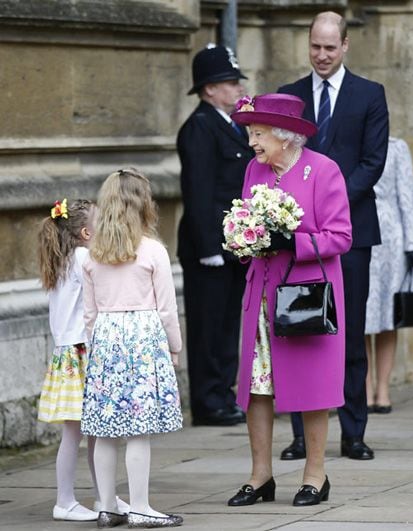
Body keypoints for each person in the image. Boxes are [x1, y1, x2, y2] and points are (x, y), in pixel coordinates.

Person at [226, 93, 351, 507]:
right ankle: (260, 476)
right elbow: (247, 217)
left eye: (258, 134)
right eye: (250, 133)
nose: (252, 143)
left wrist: (290, 240)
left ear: (286, 135)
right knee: (257, 388)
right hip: (260, 292)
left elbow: (341, 236)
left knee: (312, 387)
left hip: (304, 297)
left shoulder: (323, 171)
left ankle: (315, 475)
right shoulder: (254, 171)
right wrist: (244, 237)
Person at [277, 10, 389, 461]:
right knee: (298, 331)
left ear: (345, 46)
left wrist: (330, 203)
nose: (322, 56)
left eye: (330, 47)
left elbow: (372, 162)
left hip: (351, 235)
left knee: (348, 333)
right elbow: (278, 160)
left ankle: (353, 432)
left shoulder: (369, 95)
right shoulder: (289, 96)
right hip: (296, 237)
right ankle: (301, 435)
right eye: (315, 47)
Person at [81, 168, 184, 528]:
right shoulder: (152, 249)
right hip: (143, 339)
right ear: (144, 205)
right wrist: (175, 346)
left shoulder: (93, 253)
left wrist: (97, 349)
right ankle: (139, 506)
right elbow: (167, 308)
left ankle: (108, 506)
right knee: (139, 430)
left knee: (107, 430)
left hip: (107, 339)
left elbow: (90, 313)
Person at [176, 43, 254, 426]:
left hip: (232, 245)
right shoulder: (199, 128)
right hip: (209, 248)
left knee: (227, 325)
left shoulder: (230, 126)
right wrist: (208, 245)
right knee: (208, 327)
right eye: (229, 82)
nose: (238, 88)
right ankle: (208, 402)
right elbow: (199, 191)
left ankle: (223, 394)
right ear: (209, 89)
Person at [36, 198, 102, 522]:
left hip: (69, 353)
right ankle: (64, 500)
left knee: (87, 433)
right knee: (79, 434)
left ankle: (101, 495)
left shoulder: (63, 259)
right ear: (87, 232)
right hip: (80, 353)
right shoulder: (82, 257)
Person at [364, 137, 413, 414]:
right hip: (356, 233)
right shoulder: (348, 141)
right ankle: (363, 389)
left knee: (388, 316)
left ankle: (383, 389)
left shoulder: (397, 147)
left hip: (390, 238)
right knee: (361, 317)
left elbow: (408, 196)